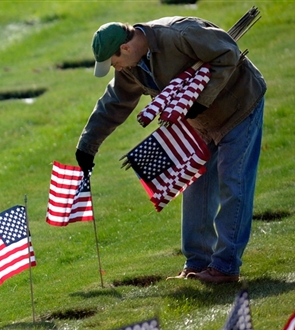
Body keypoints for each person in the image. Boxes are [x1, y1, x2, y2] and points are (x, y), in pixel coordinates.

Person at [75, 18, 266, 284]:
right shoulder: (131, 67)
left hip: (238, 106)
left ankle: (225, 267)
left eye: (113, 62)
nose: (114, 69)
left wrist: (202, 98)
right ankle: (197, 263)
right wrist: (87, 146)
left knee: (234, 184)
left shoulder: (179, 34)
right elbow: (115, 102)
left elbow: (228, 53)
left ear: (126, 49)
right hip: (199, 123)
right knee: (195, 187)